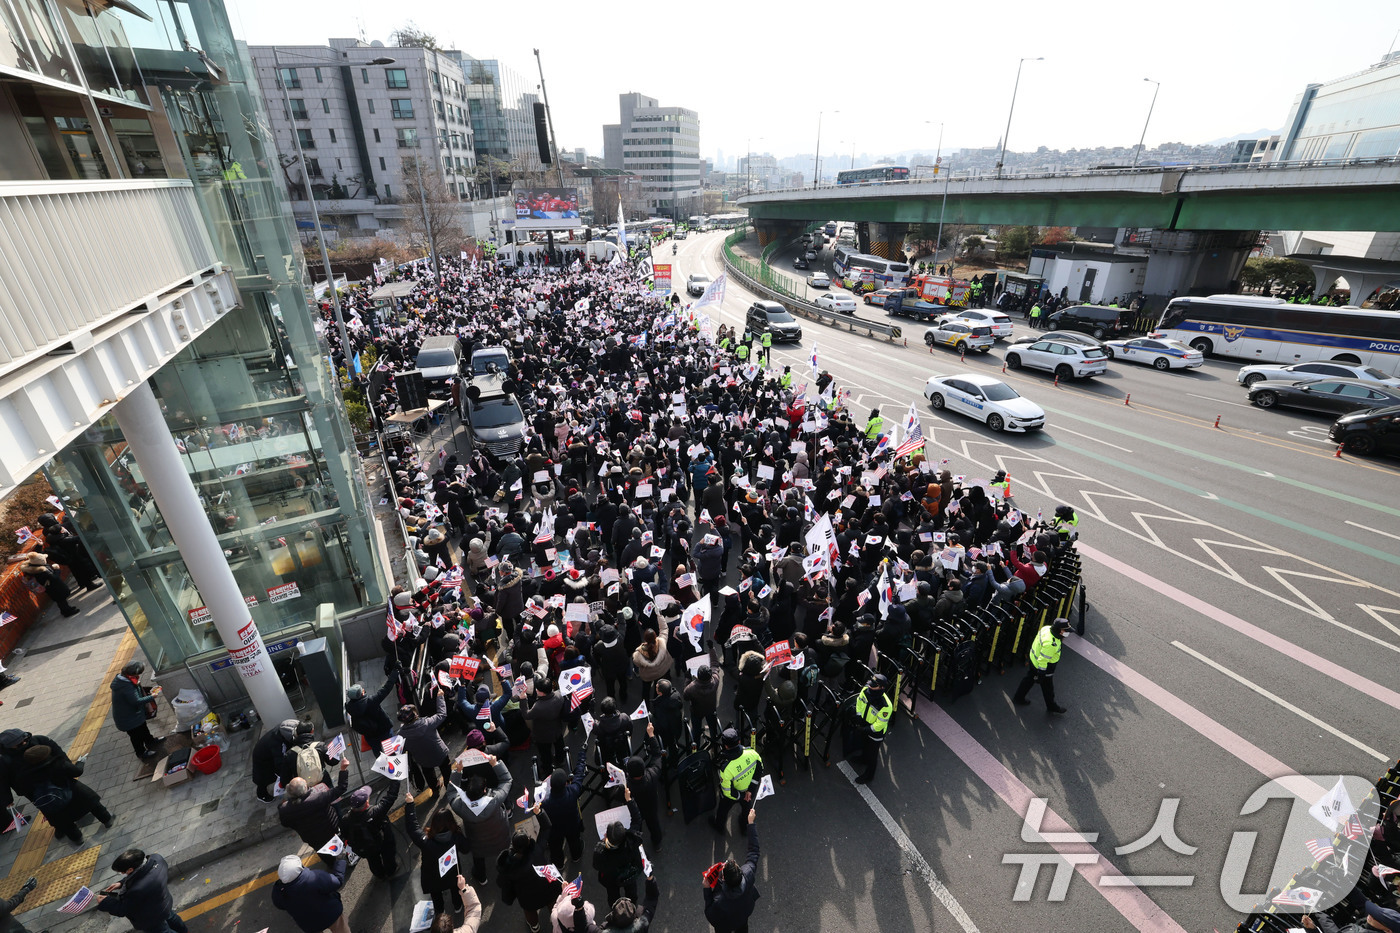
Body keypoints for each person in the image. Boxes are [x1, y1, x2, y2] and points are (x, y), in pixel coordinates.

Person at [11, 741, 112, 844]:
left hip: (53, 804)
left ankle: (78, 839)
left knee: (66, 824)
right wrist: (80, 763)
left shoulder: (23, 776)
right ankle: (107, 820)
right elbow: (77, 771)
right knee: (94, 805)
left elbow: (23, 792)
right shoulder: (58, 763)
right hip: (75, 793)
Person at [496, 801, 561, 933]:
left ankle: (535, 926)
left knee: (530, 911)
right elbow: (546, 827)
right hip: (548, 887)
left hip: (527, 896)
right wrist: (539, 813)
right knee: (553, 904)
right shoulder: (537, 849)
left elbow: (501, 882)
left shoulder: (509, 867)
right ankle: (557, 922)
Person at [448, 754, 513, 886]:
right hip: (500, 837)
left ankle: (482, 878)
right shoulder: (494, 800)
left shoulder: (460, 806)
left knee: (478, 859)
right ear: (485, 790)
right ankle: (508, 871)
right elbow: (506, 780)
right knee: (505, 854)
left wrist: (458, 772)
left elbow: (451, 793)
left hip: (477, 843)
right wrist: (496, 764)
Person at [404, 792, 470, 915]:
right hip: (452, 874)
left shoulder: (426, 842)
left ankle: (440, 910)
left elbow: (412, 828)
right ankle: (457, 906)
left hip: (432, 877)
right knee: (455, 889)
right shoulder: (456, 837)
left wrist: (410, 805)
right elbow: (466, 849)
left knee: (436, 895)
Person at [277, 757, 350, 865]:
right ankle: (346, 860)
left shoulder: (284, 809)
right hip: (331, 830)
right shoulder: (317, 798)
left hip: (312, 839)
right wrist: (343, 769)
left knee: (323, 853)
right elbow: (341, 788)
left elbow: (285, 823)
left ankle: (332, 865)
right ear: (305, 788)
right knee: (339, 847)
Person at [95, 849, 186, 933]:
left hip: (151, 918)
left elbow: (124, 909)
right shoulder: (157, 859)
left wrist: (105, 902)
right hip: (164, 903)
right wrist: (122, 883)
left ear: (130, 869)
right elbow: (140, 874)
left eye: (122, 871)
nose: (122, 874)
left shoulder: (136, 890)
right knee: (172, 918)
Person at [703, 809, 760, 932]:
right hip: (743, 915)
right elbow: (754, 851)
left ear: (723, 878)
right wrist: (751, 823)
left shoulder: (719, 901)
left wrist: (707, 890)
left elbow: (709, 913)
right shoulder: (748, 873)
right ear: (740, 872)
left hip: (725, 926)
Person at [271, 854, 350, 933]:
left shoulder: (279, 890)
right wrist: (340, 861)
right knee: (341, 929)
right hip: (331, 914)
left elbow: (279, 905)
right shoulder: (314, 877)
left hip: (309, 925)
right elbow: (337, 881)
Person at [593, 786, 645, 906]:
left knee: (612, 894)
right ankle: (632, 906)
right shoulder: (631, 840)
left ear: (606, 835)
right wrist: (629, 800)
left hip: (611, 879)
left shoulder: (600, 850)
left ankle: (615, 908)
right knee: (631, 891)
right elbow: (637, 819)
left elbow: (596, 865)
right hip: (629, 874)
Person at [339, 782, 400, 879]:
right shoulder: (376, 812)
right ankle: (391, 870)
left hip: (366, 847)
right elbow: (390, 797)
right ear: (367, 802)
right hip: (383, 841)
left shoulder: (345, 819)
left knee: (373, 860)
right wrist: (396, 780)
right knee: (388, 855)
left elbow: (345, 834)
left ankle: (379, 874)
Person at [398, 687, 453, 789]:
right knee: (446, 771)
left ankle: (435, 789)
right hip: (439, 753)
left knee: (428, 774)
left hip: (423, 760)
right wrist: (440, 697)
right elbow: (442, 714)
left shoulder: (401, 735)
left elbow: (402, 749)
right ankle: (448, 786)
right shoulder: (427, 723)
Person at [541, 750, 588, 869]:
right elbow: (579, 775)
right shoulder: (572, 792)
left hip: (554, 829)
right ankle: (576, 856)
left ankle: (559, 864)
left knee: (555, 847)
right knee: (574, 841)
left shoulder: (545, 801)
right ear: (565, 783)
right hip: (572, 825)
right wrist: (582, 755)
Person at [1013, 618, 1070, 714]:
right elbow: (1043, 660)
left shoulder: (1047, 628)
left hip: (1033, 659)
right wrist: (1041, 673)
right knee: (1048, 688)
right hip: (1044, 668)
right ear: (1058, 631)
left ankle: (1018, 697)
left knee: (1029, 679)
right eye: (1064, 630)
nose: (1066, 633)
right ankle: (1051, 706)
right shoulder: (1051, 644)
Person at [109, 660, 163, 760]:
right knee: (136, 737)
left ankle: (150, 741)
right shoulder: (125, 686)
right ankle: (141, 753)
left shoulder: (124, 680)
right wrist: (152, 696)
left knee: (143, 728)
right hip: (128, 719)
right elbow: (136, 701)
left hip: (134, 715)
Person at [712, 729, 762, 836]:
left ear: (725, 746)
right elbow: (759, 771)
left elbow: (727, 792)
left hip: (734, 795)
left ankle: (719, 826)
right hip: (748, 792)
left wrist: (741, 796)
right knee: (746, 811)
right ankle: (744, 829)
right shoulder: (752, 753)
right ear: (739, 742)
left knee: (723, 810)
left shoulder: (726, 768)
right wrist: (750, 791)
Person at [847, 674, 893, 784]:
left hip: (875, 732)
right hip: (864, 724)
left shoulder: (886, 705)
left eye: (874, 686)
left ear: (882, 688)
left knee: (872, 754)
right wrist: (858, 716)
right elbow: (859, 701)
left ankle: (869, 775)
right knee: (864, 745)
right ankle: (863, 758)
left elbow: (880, 725)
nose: (870, 687)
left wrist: (867, 729)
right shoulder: (866, 689)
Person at [345, 671, 399, 754]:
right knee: (390, 750)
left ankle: (381, 763)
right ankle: (393, 761)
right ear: (362, 693)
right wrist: (395, 673)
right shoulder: (372, 701)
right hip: (383, 730)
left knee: (377, 751)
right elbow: (386, 688)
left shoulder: (348, 707)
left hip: (370, 735)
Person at [251, 719, 299, 802]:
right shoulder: (277, 744)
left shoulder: (282, 732)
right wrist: (285, 777)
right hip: (262, 761)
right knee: (263, 779)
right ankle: (261, 795)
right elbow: (279, 764)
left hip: (267, 755)